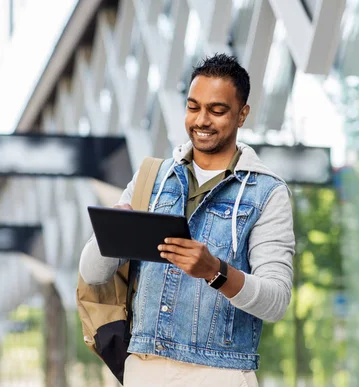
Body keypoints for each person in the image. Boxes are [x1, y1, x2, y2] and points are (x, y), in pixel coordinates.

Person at [79, 53, 295, 387]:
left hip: (220, 373)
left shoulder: (266, 192)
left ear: (242, 114)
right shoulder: (152, 177)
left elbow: (276, 301)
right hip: (144, 368)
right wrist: (109, 234)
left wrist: (215, 272)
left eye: (217, 110)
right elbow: (93, 275)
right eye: (193, 107)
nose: (201, 120)